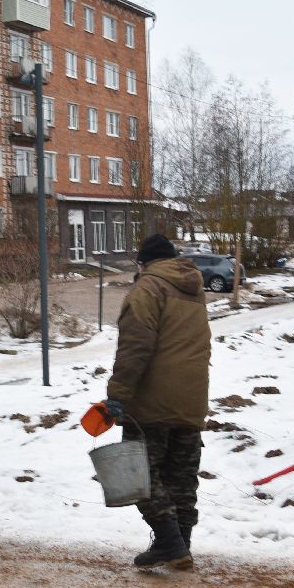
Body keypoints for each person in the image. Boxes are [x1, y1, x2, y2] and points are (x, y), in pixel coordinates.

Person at [103, 233, 211, 570]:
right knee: (181, 478)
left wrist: (118, 395)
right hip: (192, 399)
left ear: (143, 262)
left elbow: (135, 347)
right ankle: (181, 546)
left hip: (152, 401)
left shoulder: (148, 288)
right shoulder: (193, 289)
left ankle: (169, 543)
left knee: (137, 475)